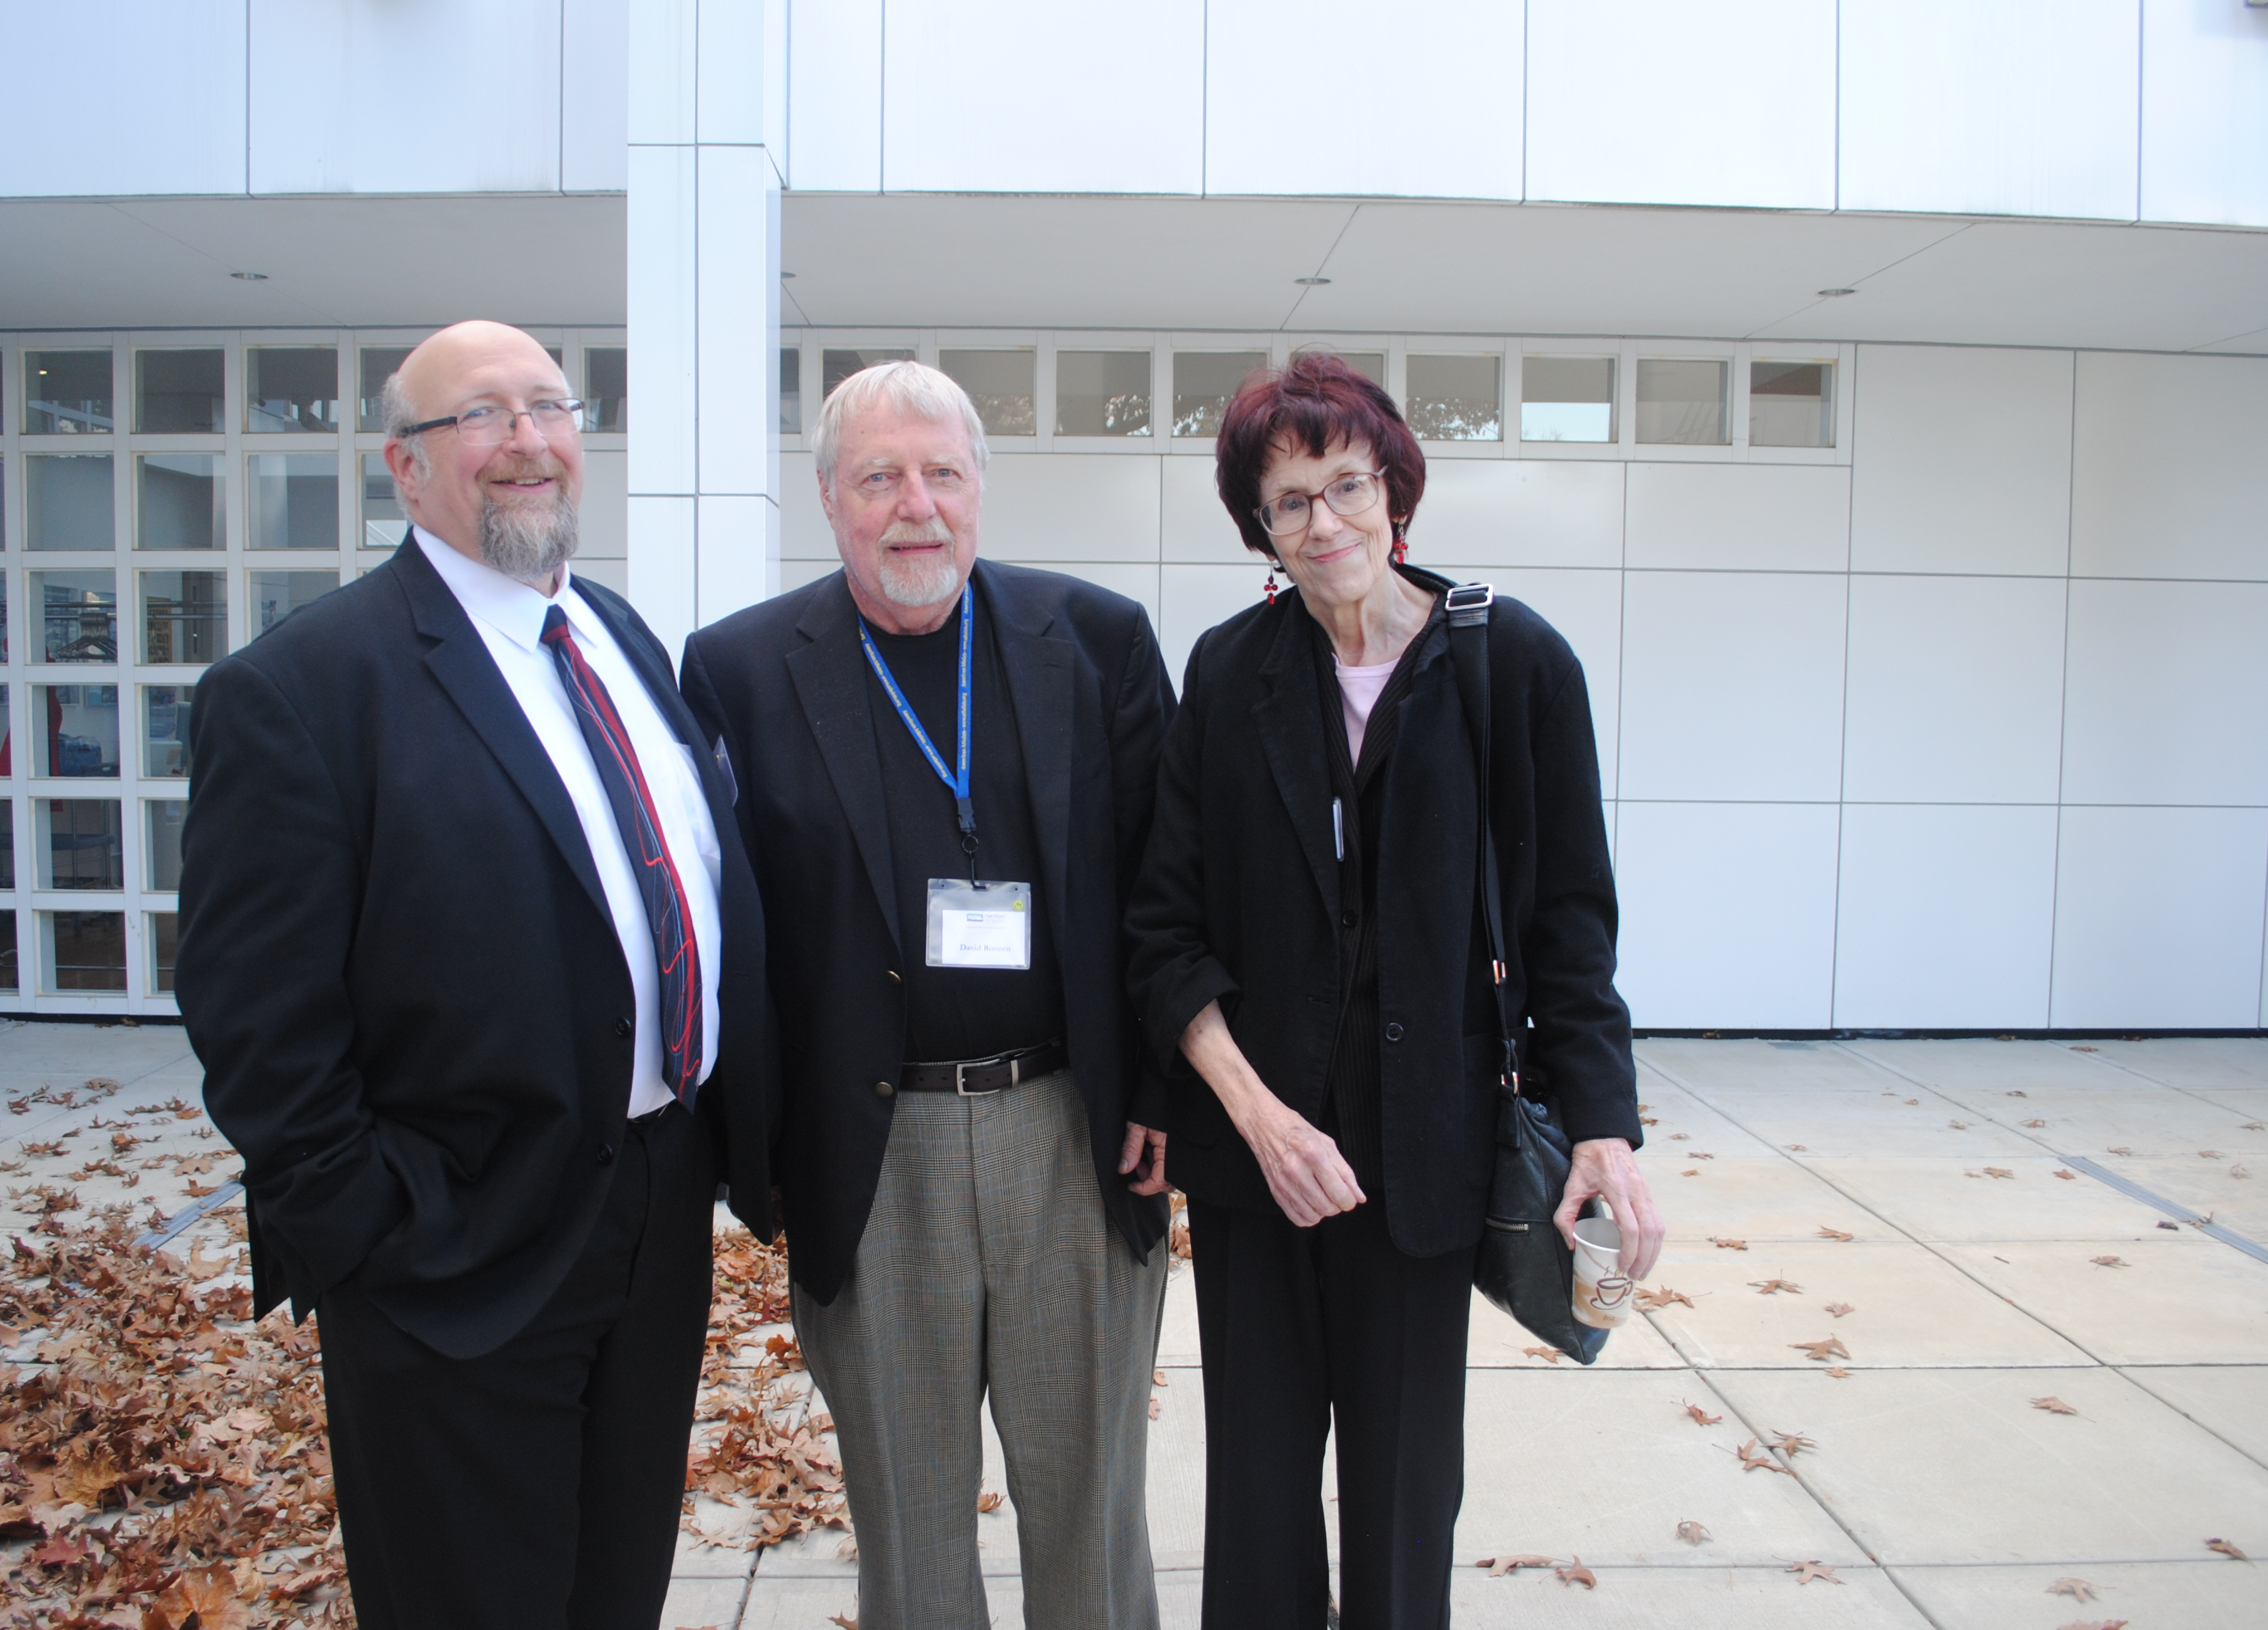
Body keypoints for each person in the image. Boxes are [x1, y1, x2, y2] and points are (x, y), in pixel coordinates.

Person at [178, 320, 775, 1629]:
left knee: (614, 1589)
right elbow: (253, 1017)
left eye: (549, 409)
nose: (527, 442)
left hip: (651, 1212)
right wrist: (374, 1232)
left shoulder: (615, 635)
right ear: (405, 465)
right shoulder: (302, 690)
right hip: (453, 1247)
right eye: (482, 417)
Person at [1126, 352, 1662, 1628]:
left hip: (1427, 1160)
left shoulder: (1509, 663)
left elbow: (1568, 929)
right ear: (1260, 529)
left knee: (1405, 1497)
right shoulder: (1227, 672)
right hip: (1258, 1162)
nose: (1324, 524)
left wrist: (1604, 1126)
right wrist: (1255, 1121)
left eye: (1346, 486)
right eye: (1290, 501)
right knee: (1255, 1499)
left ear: (1395, 491)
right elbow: (1163, 929)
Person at [680, 360, 1171, 1629]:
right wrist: (757, 1152)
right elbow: (724, 934)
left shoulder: (1098, 641)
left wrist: (1166, 1090)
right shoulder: (735, 669)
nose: (916, 506)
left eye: (942, 474)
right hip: (870, 1146)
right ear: (829, 499)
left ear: (981, 491)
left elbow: (1170, 891)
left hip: (1072, 1130)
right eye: (878, 478)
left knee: (1092, 1510)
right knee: (906, 1518)